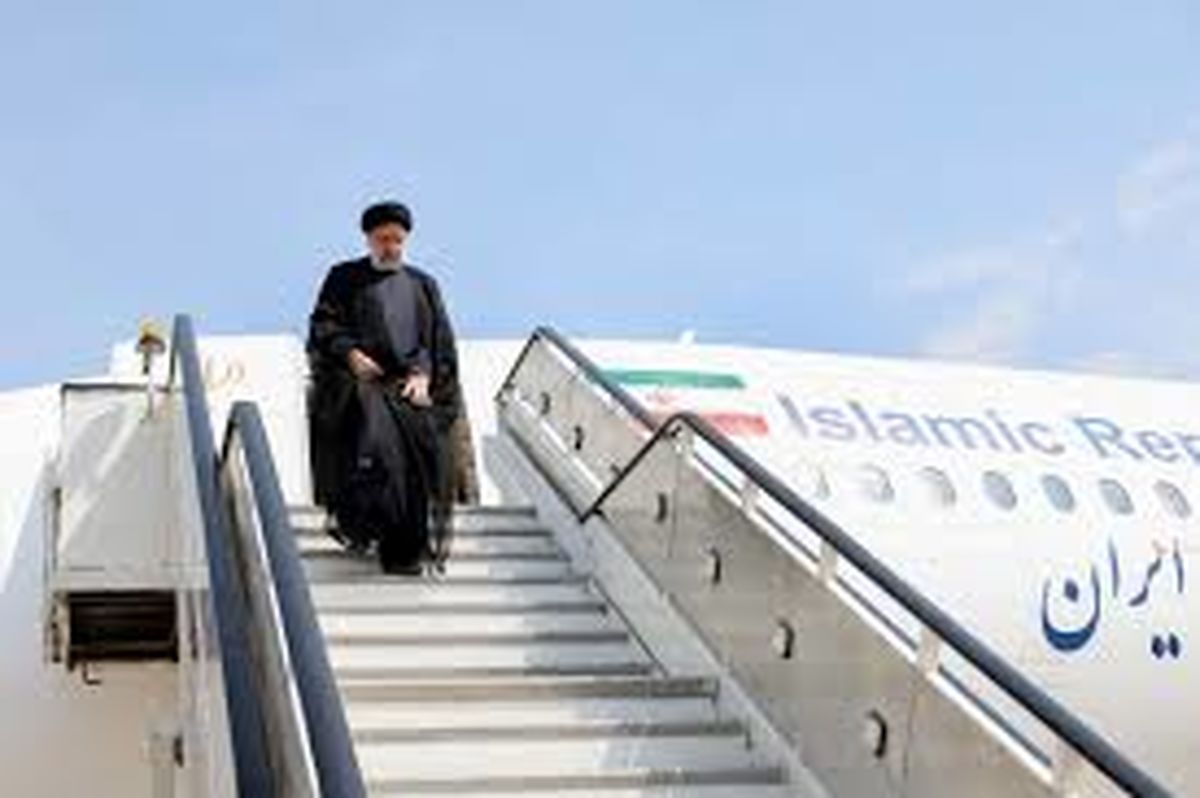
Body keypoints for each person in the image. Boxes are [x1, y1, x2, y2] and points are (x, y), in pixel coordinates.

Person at [307, 200, 465, 574]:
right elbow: (323, 325)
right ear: (368, 239)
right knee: (376, 444)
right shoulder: (344, 277)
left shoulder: (423, 284)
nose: (390, 247)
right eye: (383, 240)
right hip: (359, 383)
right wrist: (351, 354)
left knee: (415, 456)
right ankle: (368, 526)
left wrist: (423, 374)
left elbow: (437, 341)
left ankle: (404, 551)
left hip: (409, 387)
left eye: (397, 240)